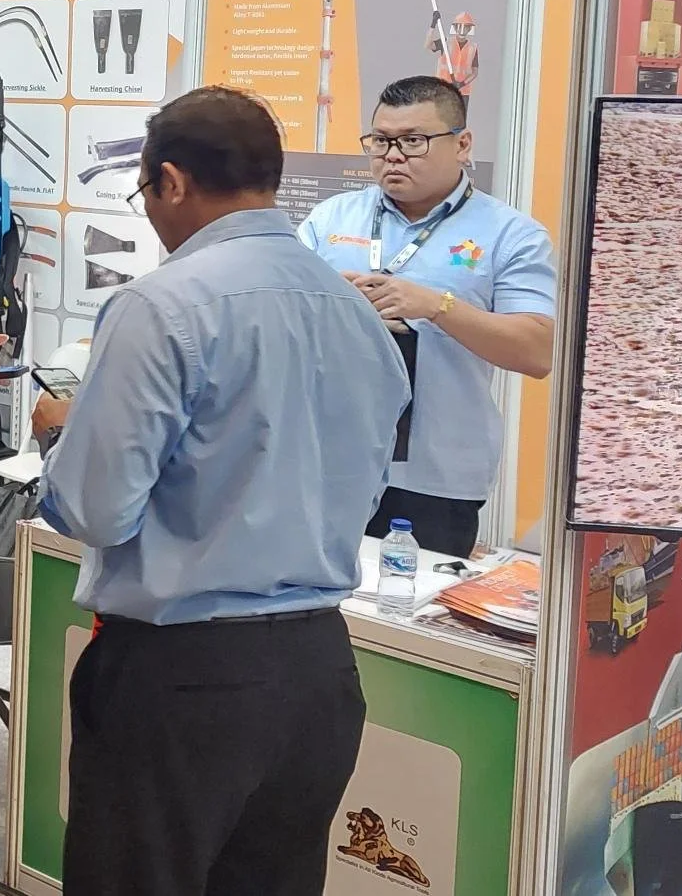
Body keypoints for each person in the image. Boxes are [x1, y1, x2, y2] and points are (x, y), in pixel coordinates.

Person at [31, 87, 409, 895]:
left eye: (144, 191)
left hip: (182, 677)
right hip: (318, 672)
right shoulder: (356, 312)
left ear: (170, 181)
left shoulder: (160, 305)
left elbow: (97, 510)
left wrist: (60, 434)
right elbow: (362, 484)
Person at [298, 75, 557, 555]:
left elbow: (538, 350)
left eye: (413, 141)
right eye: (381, 141)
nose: (393, 155)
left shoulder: (511, 234)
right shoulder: (331, 219)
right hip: (326, 461)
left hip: (434, 477)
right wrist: (334, 306)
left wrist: (438, 307)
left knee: (412, 598)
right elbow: (283, 319)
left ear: (462, 144)